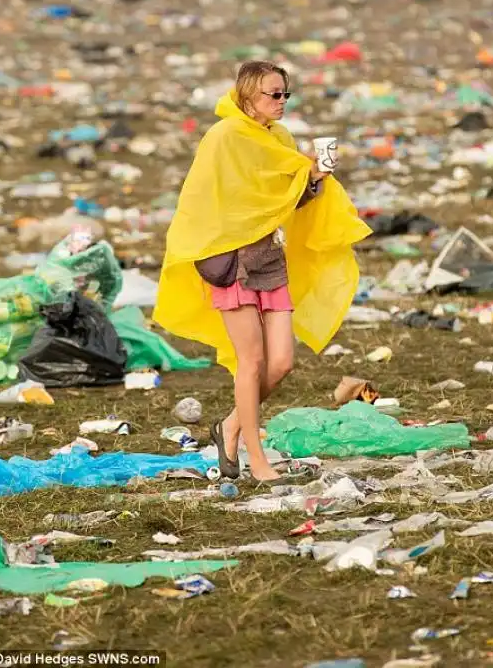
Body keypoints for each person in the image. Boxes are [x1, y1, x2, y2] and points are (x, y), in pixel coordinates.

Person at [153, 61, 371, 485]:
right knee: (250, 364)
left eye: (286, 94)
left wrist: (313, 180)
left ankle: (231, 426)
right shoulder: (224, 137)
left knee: (282, 362)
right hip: (231, 262)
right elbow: (213, 201)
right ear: (249, 97)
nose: (282, 101)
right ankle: (257, 460)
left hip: (270, 258)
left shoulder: (281, 139)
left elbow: (282, 204)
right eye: (274, 94)